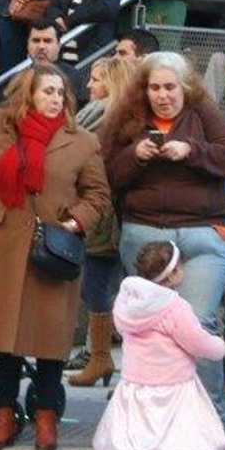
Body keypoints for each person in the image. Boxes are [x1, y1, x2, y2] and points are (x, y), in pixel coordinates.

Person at [0, 66, 109, 450]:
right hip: (4, 243)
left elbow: (98, 195)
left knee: (50, 338)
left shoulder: (82, 140)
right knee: (7, 337)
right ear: (27, 93)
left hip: (54, 249)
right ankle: (3, 413)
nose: (55, 99)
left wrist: (74, 222)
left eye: (60, 93)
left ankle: (46, 415)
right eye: (47, 91)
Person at [103, 51, 225, 429]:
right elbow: (107, 174)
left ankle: (212, 421)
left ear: (184, 87)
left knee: (198, 324)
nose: (163, 95)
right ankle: (152, 421)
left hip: (201, 232)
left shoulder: (203, 111)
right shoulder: (128, 116)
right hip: (146, 233)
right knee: (149, 329)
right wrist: (136, 155)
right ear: (144, 89)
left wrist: (192, 150)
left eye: (170, 87)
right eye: (154, 88)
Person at [92, 240, 225, 450]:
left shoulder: (127, 303)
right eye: (180, 267)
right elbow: (195, 340)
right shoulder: (175, 307)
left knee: (138, 423)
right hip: (174, 379)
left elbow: (122, 329)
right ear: (172, 274)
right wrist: (218, 347)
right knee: (174, 424)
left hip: (137, 379)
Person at [68, 55, 140, 389]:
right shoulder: (102, 115)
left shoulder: (108, 118)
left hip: (109, 214)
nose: (88, 85)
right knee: (99, 285)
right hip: (105, 213)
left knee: (100, 285)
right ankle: (100, 357)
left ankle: (101, 357)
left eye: (96, 79)